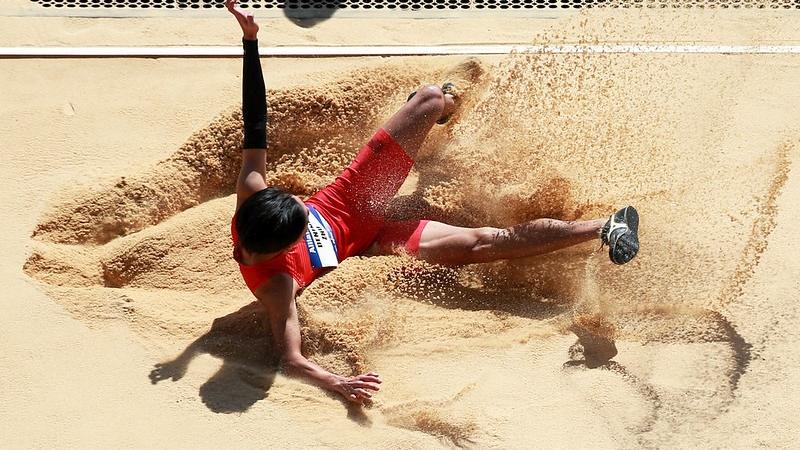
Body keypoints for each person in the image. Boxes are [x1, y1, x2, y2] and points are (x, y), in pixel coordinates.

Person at [225, 0, 639, 405]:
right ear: (282, 248)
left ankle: (449, 103)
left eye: (298, 201)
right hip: (375, 242)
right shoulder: (277, 287)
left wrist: (250, 41)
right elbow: (291, 358)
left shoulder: (252, 190)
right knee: (482, 243)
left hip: (354, 197)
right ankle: (609, 225)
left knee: (427, 98)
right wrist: (338, 383)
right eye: (302, 218)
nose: (301, 199)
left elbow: (255, 118)